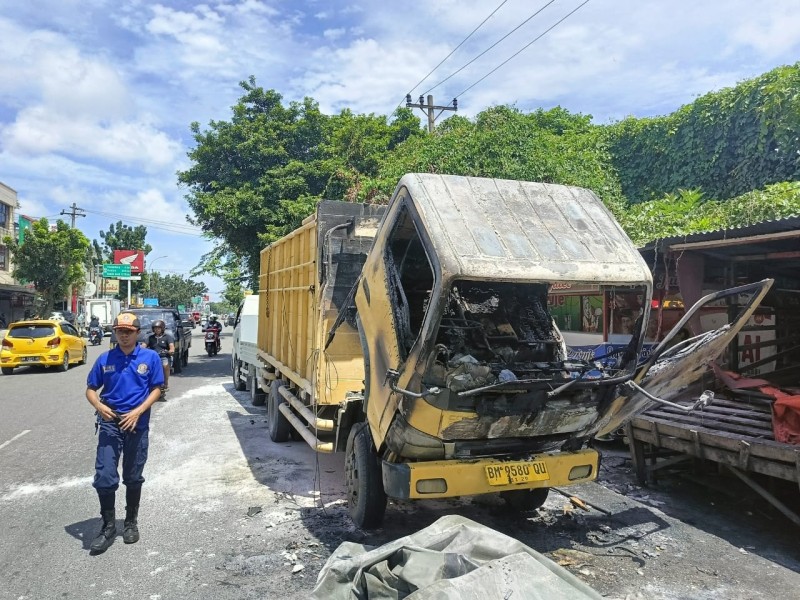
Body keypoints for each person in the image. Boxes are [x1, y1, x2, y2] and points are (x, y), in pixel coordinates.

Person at [85, 312, 163, 555]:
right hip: (110, 422)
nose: (124, 335)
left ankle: (130, 522)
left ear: (137, 333)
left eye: (129, 331)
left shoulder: (150, 357)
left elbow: (157, 389)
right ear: (115, 332)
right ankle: (108, 526)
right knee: (105, 475)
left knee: (133, 474)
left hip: (136, 423)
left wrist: (138, 412)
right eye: (120, 331)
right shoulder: (105, 358)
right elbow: (90, 389)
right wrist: (99, 406)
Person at [144, 319, 175, 392]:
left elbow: (172, 347)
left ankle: (166, 382)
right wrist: (140, 349)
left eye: (158, 328)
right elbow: (143, 345)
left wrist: (170, 351)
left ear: (162, 328)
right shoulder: (150, 338)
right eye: (155, 328)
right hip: (152, 357)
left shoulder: (168, 337)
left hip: (163, 356)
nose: (157, 330)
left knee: (165, 365)